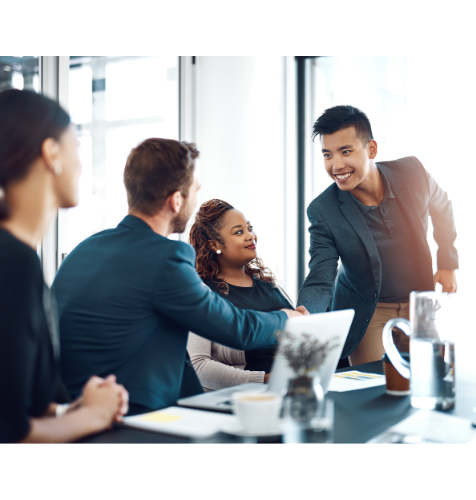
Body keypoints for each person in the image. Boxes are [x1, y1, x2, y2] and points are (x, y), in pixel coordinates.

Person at [52, 138, 303, 415]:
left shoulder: (85, 249)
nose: (195, 201)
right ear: (176, 200)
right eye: (194, 191)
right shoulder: (166, 257)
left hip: (74, 411)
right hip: (132, 416)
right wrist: (286, 319)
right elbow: (235, 329)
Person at [0, 89, 128, 444]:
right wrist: (93, 415)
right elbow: (3, 434)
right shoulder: (9, 261)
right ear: (52, 154)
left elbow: (8, 404)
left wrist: (78, 408)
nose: (80, 165)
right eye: (76, 148)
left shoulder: (7, 254)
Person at [297, 105, 458, 366]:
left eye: (345, 151)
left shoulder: (413, 172)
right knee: (371, 388)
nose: (336, 165)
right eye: (328, 155)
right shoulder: (323, 210)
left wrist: (447, 262)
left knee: (430, 377)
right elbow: (321, 275)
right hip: (368, 312)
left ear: (371, 149)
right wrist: (304, 314)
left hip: (419, 304)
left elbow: (443, 207)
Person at [187, 199, 306, 391]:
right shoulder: (202, 292)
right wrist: (266, 380)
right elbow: (199, 366)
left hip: (292, 386)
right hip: (245, 396)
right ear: (214, 244)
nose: (250, 236)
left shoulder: (270, 285)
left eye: (250, 228)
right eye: (239, 232)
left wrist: (306, 326)